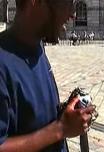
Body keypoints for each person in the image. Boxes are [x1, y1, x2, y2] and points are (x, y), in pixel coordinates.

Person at [0, 0, 95, 151]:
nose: (73, 14)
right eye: (68, 3)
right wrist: (61, 129)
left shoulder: (37, 46)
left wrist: (66, 113)